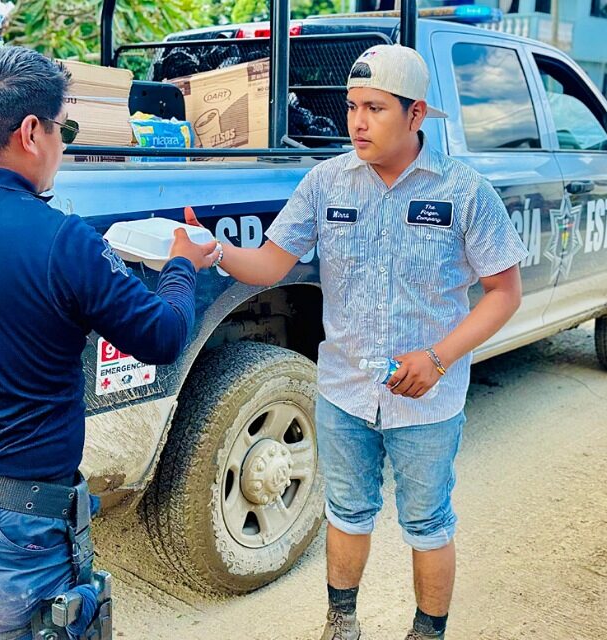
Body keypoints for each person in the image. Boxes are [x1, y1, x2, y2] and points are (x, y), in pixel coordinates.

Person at [0, 46, 218, 640]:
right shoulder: (60, 242)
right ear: (31, 132)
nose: (63, 144)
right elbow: (164, 335)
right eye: (62, 128)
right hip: (11, 532)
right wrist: (180, 265)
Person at [175, 44, 526, 640]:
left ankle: (427, 631)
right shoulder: (326, 182)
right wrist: (214, 251)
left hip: (427, 398)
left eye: (375, 108)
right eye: (351, 106)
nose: (357, 122)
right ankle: (341, 624)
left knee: (428, 521)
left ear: (416, 115)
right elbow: (269, 264)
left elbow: (503, 292)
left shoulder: (466, 193)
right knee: (347, 512)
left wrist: (439, 358)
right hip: (344, 390)